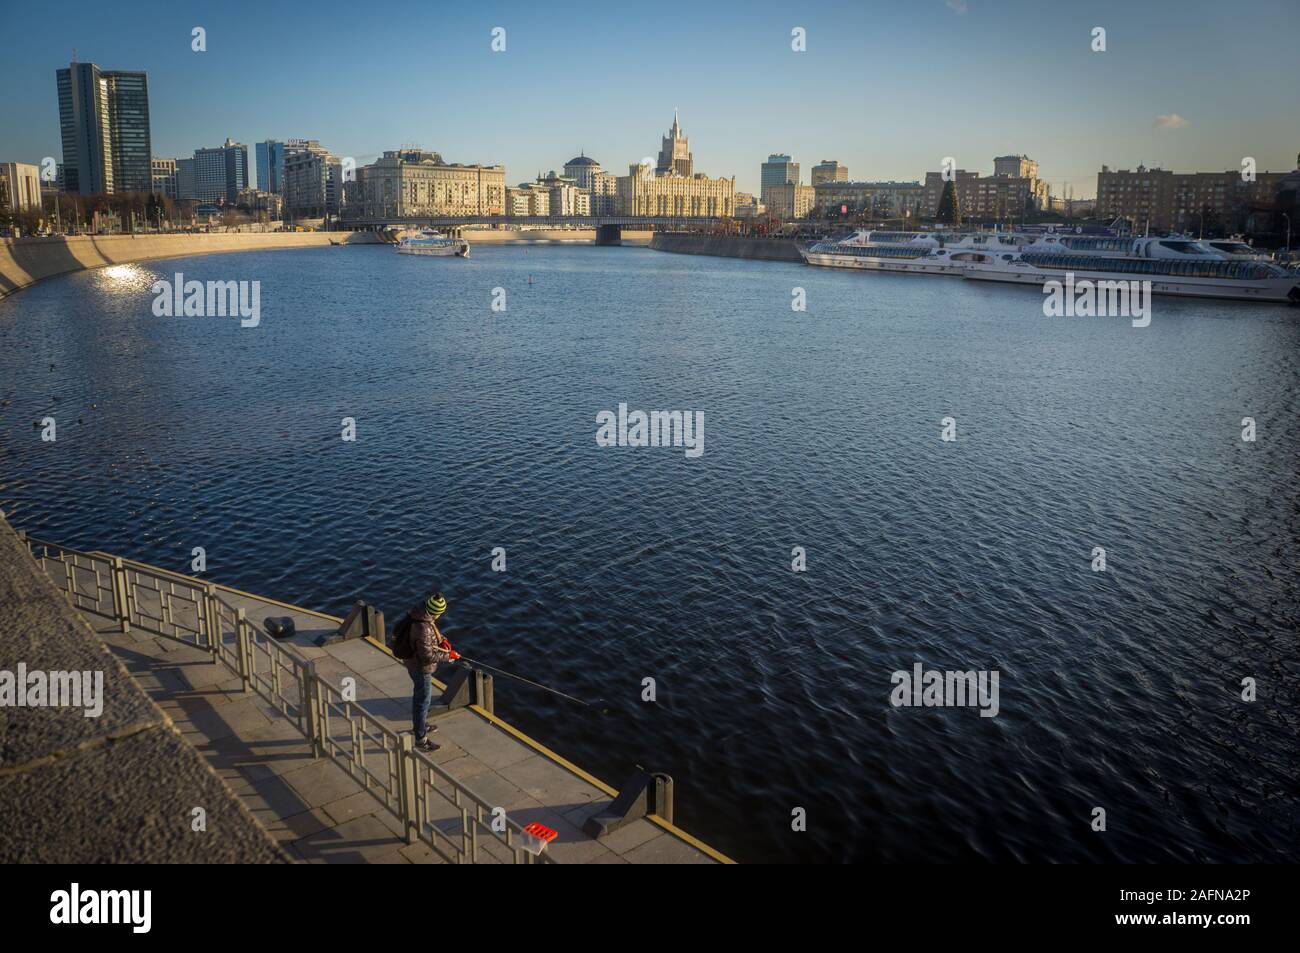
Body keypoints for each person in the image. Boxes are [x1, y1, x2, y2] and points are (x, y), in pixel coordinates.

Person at [406, 592, 453, 752]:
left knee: (419, 698)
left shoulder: (421, 616)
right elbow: (427, 656)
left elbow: (430, 638)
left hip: (413, 663)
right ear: (436, 612)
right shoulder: (423, 627)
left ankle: (421, 725)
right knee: (422, 702)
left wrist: (442, 640)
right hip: (420, 668)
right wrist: (448, 656)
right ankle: (421, 740)